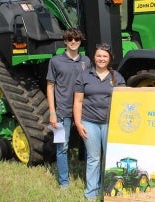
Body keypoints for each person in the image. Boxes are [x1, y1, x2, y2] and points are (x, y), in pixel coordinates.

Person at [73, 42, 126, 200]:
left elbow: (125, 101)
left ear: (110, 58)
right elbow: (78, 102)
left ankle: (106, 191)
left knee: (108, 157)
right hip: (89, 122)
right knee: (93, 157)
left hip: (111, 123)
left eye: (105, 56)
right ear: (93, 57)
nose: (101, 58)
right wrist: (78, 123)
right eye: (98, 55)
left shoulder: (117, 77)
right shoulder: (84, 76)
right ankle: (91, 192)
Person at [46, 28, 90, 189]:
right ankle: (64, 182)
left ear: (80, 42)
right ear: (65, 41)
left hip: (84, 111)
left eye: (76, 39)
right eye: (70, 39)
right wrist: (52, 112)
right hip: (61, 111)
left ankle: (88, 178)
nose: (73, 42)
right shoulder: (55, 61)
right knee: (62, 147)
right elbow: (50, 87)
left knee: (87, 145)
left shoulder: (86, 61)